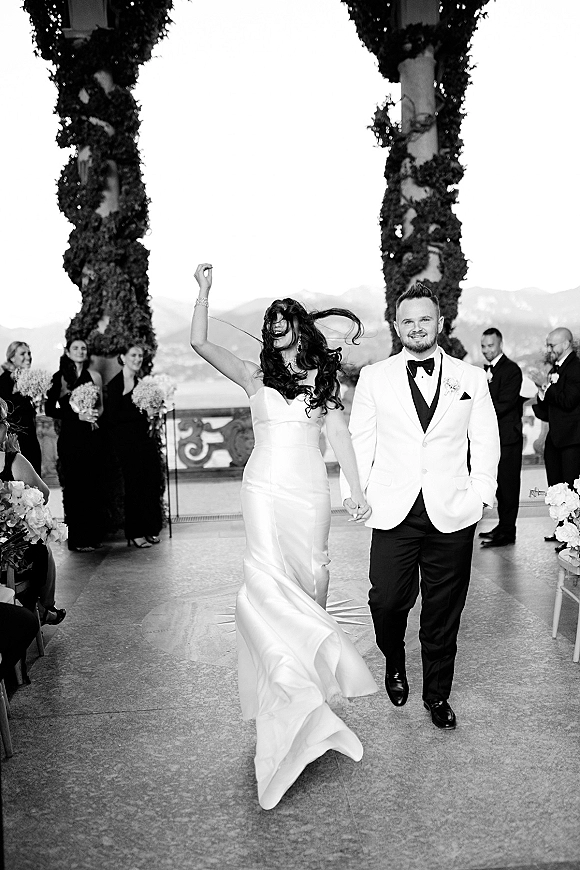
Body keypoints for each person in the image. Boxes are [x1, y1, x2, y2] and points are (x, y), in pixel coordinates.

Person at [190, 263, 377, 810]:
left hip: (311, 491)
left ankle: (310, 689)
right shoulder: (253, 375)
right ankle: (283, 696)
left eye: (282, 318)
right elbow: (200, 342)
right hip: (264, 489)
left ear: (299, 326)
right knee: (270, 584)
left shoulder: (324, 380)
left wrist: (354, 489)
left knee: (314, 578)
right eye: (269, 320)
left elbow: (339, 434)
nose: (274, 325)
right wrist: (203, 294)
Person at [342, 282, 499, 730]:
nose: (416, 328)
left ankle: (437, 696)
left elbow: (486, 439)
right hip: (392, 509)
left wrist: (481, 494)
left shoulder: (469, 379)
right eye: (407, 321)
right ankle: (394, 660)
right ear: (396, 326)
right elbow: (359, 440)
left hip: (452, 510)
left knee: (443, 611)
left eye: (424, 319)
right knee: (388, 601)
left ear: (440, 323)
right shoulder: (376, 377)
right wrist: (354, 492)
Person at [0, 398, 66, 625]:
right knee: (40, 545)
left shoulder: (12, 460)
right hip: (9, 558)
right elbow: (43, 494)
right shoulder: (12, 461)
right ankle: (41, 607)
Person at [45, 337, 105, 552]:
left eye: (83, 348)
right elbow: (49, 409)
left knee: (92, 486)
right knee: (73, 489)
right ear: (67, 352)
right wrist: (76, 417)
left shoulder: (95, 376)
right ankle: (77, 539)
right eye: (75, 348)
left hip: (91, 438)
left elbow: (102, 407)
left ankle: (93, 535)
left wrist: (95, 416)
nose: (80, 351)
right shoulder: (59, 378)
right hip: (70, 439)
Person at [103, 345, 164, 548]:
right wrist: (141, 414)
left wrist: (153, 413)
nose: (137, 359)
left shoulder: (141, 383)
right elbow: (111, 418)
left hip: (143, 440)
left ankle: (150, 529)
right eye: (133, 355)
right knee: (134, 486)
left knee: (151, 482)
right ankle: (136, 533)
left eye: (140, 355)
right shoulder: (115, 385)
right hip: (125, 444)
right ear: (123, 357)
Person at [531, 327, 580, 545]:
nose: (549, 349)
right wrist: (541, 391)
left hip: (572, 439)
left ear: (567, 344)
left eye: (553, 345)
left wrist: (545, 385)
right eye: (548, 345)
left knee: (571, 489)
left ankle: (575, 534)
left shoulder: (576, 368)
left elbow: (569, 401)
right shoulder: (554, 369)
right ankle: (562, 530)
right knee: (556, 488)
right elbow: (547, 408)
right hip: (555, 437)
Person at [478, 328, 524, 547]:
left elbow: (504, 404)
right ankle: (502, 526)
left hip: (508, 438)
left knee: (508, 486)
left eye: (491, 345)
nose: (487, 350)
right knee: (497, 486)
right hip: (492, 440)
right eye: (484, 346)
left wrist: (476, 410)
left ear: (500, 345)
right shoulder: (482, 371)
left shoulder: (512, 370)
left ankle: (508, 531)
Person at [0, 341, 42, 473]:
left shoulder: (25, 380)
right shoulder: (5, 379)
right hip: (16, 440)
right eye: (23, 353)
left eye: (29, 353)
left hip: (31, 438)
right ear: (12, 357)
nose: (28, 357)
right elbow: (5, 410)